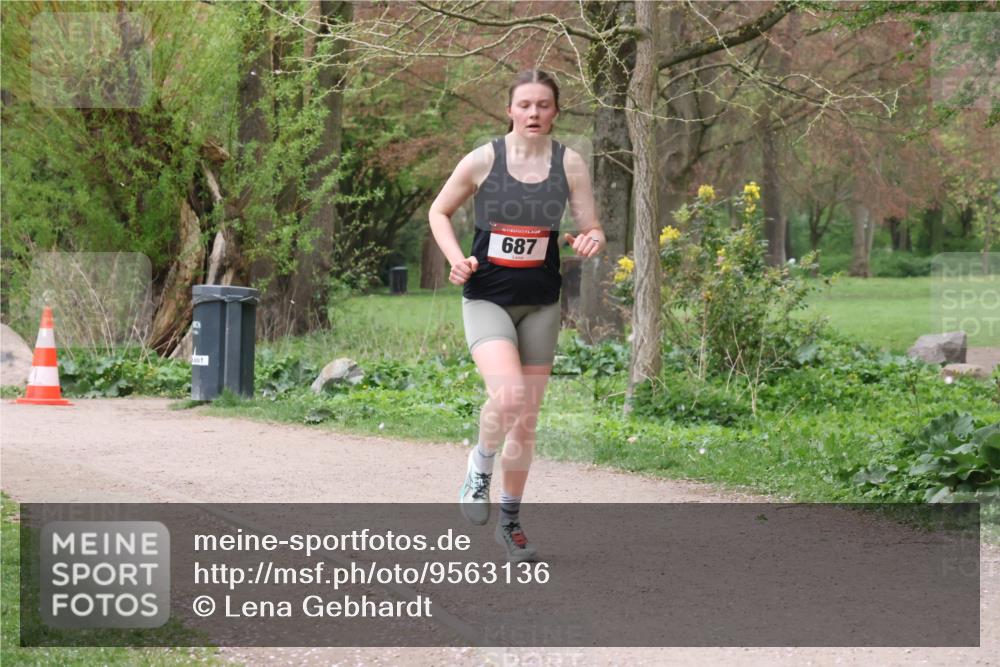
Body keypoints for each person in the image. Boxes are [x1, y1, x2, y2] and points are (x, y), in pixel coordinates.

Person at [428, 70, 605, 562]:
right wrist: (455, 257)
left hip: (542, 303)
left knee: (525, 420)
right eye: (524, 104)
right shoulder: (485, 159)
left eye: (543, 105)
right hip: (487, 297)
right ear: (509, 110)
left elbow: (591, 228)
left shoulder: (570, 164)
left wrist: (591, 240)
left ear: (555, 112)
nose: (533, 113)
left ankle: (510, 522)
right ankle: (479, 465)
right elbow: (438, 212)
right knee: (507, 397)